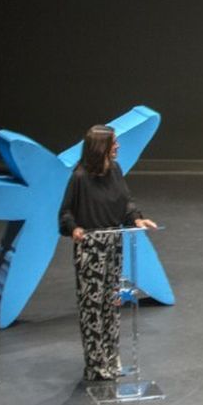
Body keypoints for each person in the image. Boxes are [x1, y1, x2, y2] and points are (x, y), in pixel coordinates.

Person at [58, 124, 158, 382]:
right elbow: (65, 213)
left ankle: (112, 359)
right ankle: (95, 364)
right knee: (92, 307)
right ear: (101, 147)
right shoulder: (79, 177)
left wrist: (136, 219)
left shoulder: (114, 171)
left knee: (111, 305)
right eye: (114, 142)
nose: (118, 146)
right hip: (91, 248)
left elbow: (126, 202)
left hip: (114, 243)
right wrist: (75, 229)